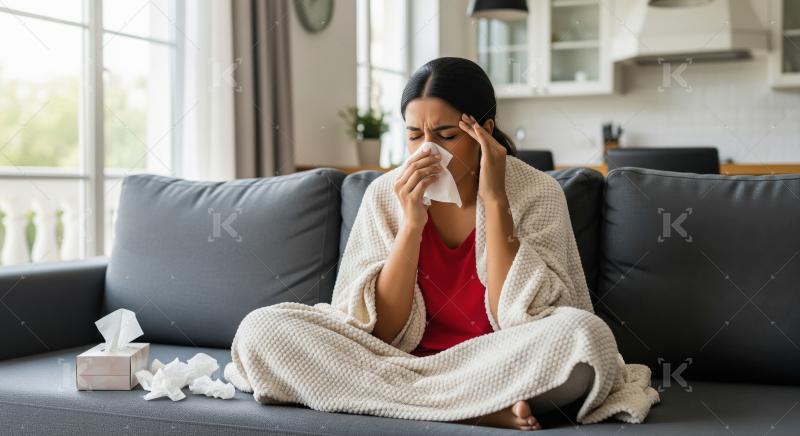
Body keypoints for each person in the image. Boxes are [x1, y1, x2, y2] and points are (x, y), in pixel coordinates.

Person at [226, 57, 652, 431]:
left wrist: (494, 199)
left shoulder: (536, 192)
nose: (428, 151)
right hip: (394, 361)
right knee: (260, 330)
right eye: (414, 135)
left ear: (483, 131)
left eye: (446, 135)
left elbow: (522, 319)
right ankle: (472, 411)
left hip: (496, 361)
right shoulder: (385, 194)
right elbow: (381, 330)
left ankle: (398, 403)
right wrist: (411, 225)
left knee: (584, 338)